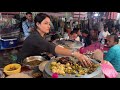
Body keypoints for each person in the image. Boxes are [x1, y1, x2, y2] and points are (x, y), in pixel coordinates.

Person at [17, 13, 92, 67]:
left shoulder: (40, 35)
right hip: (24, 65)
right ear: (38, 24)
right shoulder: (35, 37)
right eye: (45, 23)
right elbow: (50, 47)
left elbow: (46, 46)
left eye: (49, 24)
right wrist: (76, 54)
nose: (49, 26)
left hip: (34, 59)